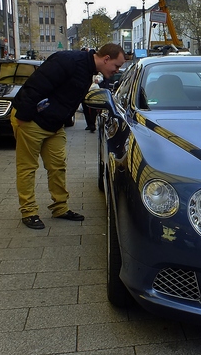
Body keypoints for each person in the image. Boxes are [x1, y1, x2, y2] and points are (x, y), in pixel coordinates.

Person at [11, 43, 126, 229]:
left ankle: (60, 207)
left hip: (53, 125)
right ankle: (29, 212)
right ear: (106, 59)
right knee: (27, 167)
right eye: (117, 66)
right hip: (31, 120)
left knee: (57, 166)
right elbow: (36, 85)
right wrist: (23, 117)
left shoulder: (87, 70)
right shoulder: (68, 60)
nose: (117, 70)